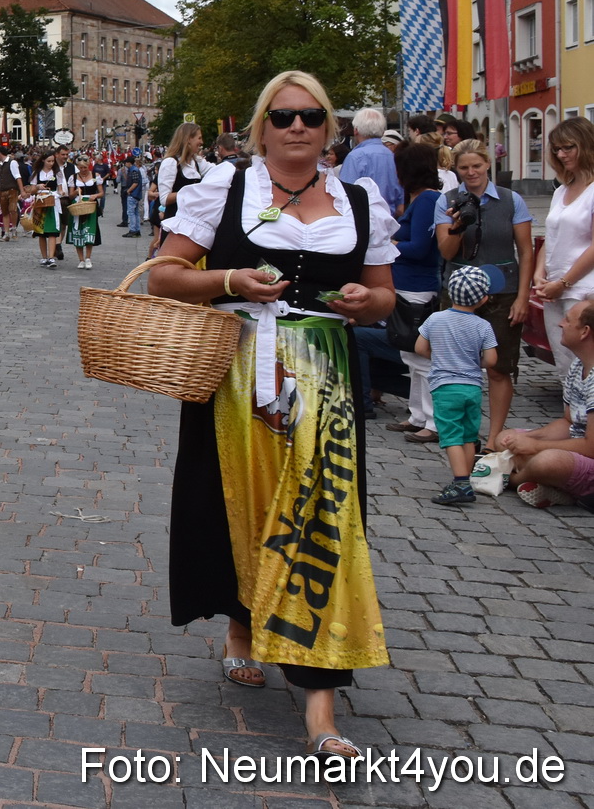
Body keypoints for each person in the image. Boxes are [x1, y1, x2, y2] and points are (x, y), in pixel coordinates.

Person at [147, 69, 397, 760]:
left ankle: (321, 704)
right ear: (261, 126)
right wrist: (230, 280)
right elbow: (165, 274)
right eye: (283, 115)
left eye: (311, 116)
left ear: (329, 128)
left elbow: (385, 296)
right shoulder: (226, 189)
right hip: (235, 376)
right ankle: (240, 625)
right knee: (239, 506)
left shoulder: (359, 199)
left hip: (325, 380)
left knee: (325, 518)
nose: (297, 127)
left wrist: (362, 301)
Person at [434, 139, 532, 446]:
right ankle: (462, 434)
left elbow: (526, 252)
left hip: (503, 290)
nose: (471, 172)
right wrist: (459, 224)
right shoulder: (447, 200)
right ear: (456, 169)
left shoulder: (511, 199)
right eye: (464, 167)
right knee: (455, 365)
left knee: (500, 366)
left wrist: (523, 298)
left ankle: (492, 437)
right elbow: (446, 252)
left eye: (476, 166)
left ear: (488, 164)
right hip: (460, 292)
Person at [415, 267, 499, 506]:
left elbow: (420, 348)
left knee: (451, 435)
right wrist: (475, 362)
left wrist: (441, 358)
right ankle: (468, 480)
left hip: (445, 387)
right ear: (483, 299)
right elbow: (491, 360)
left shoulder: (435, 319)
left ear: (449, 293)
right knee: (469, 436)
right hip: (471, 387)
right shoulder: (483, 326)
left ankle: (460, 482)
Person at [497, 299, 594, 507]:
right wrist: (528, 439)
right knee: (505, 438)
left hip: (587, 455)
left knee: (547, 462)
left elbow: (591, 446)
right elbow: (569, 422)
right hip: (576, 451)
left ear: (585, 331)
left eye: (567, 320)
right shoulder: (578, 364)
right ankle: (556, 489)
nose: (560, 324)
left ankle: (512, 479)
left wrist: (535, 446)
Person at [387, 141, 444, 444]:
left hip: (417, 286)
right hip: (409, 284)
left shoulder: (425, 201)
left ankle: (432, 420)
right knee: (410, 353)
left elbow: (421, 248)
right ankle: (418, 414)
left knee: (420, 355)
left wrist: (392, 246)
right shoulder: (422, 199)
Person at [534, 117, 594, 384]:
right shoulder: (562, 191)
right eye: (557, 149)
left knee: (586, 366)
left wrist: (565, 281)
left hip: (582, 289)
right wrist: (539, 273)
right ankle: (573, 421)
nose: (561, 154)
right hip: (554, 289)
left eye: (568, 147)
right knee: (564, 365)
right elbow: (551, 237)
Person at [340, 108, 403, 215]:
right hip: (390, 221)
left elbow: (344, 197)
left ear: (356, 130)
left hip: (363, 222)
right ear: (383, 132)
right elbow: (400, 202)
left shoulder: (355, 157)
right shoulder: (393, 156)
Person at [63, 156, 102, 269]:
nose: (83, 170)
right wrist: (75, 191)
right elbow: (70, 196)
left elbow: (101, 193)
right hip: (77, 206)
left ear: (88, 166)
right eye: (80, 168)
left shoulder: (95, 176)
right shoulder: (73, 177)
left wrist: (95, 195)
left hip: (90, 206)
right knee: (78, 232)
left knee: (89, 232)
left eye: (85, 167)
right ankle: (81, 259)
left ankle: (88, 258)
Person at [30, 150, 64, 268]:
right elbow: (32, 190)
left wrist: (60, 193)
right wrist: (38, 187)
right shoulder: (37, 173)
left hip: (52, 202)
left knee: (52, 232)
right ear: (43, 160)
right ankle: (44, 257)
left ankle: (51, 257)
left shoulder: (57, 173)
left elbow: (59, 188)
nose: (51, 163)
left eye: (52, 161)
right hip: (40, 202)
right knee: (41, 232)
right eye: (48, 161)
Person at [119, 154, 144, 237]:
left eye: (126, 162)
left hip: (133, 194)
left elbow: (135, 182)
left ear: (129, 163)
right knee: (135, 212)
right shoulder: (134, 170)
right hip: (136, 194)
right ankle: (137, 230)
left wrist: (129, 191)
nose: (125, 164)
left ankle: (133, 230)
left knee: (131, 212)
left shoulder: (134, 170)